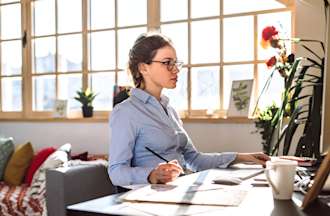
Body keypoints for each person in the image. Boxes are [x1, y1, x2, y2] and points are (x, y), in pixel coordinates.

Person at [108, 32, 270, 187]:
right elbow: (116, 172)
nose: (176, 70)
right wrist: (151, 174)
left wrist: (243, 157)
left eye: (176, 63)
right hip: (149, 198)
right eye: (167, 63)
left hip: (180, 188)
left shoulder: (169, 109)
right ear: (143, 68)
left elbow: (195, 160)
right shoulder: (126, 112)